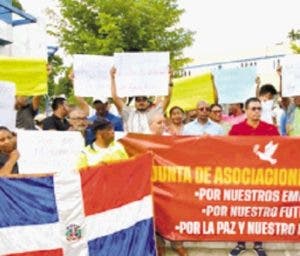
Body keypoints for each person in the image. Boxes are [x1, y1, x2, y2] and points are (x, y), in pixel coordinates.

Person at [228, 97, 279, 256]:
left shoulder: (270, 129)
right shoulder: (236, 129)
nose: (257, 112)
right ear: (246, 111)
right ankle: (240, 243)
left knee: (260, 209)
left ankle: (258, 244)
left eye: (259, 109)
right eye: (253, 109)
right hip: (242, 176)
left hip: (263, 176)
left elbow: (282, 150)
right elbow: (227, 150)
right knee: (241, 210)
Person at [110, 66, 172, 133]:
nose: (141, 102)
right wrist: (112, 78)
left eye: (143, 99)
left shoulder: (155, 112)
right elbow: (115, 98)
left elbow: (167, 98)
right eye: (138, 100)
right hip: (132, 143)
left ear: (147, 101)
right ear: (135, 102)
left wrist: (169, 78)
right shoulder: (128, 113)